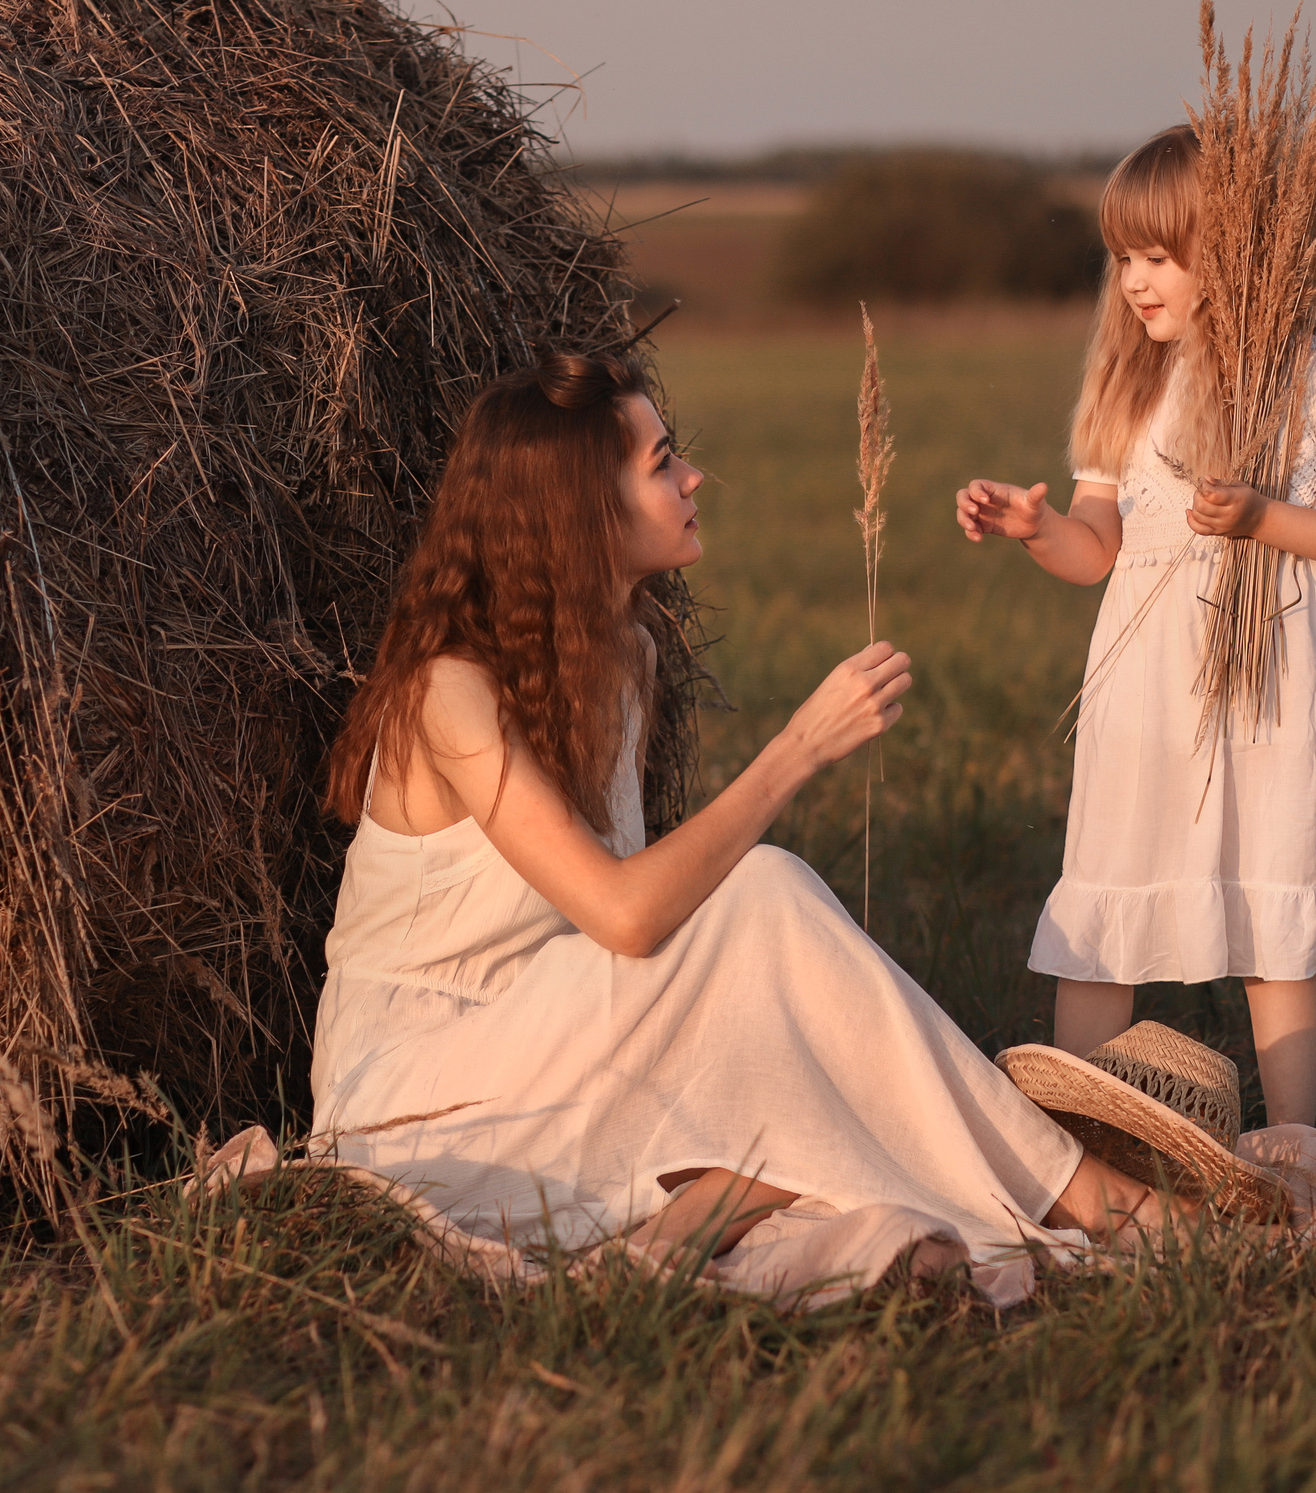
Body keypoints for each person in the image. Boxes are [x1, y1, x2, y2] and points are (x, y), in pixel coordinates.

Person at [308, 348, 1201, 1294]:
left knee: (815, 1083)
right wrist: (797, 749)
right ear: (581, 507)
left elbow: (632, 935)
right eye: (660, 463)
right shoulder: (450, 690)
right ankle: (1109, 1204)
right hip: (415, 1103)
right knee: (767, 898)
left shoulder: (623, 660)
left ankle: (701, 1216)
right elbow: (624, 915)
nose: (693, 477)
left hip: (552, 1054)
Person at [956, 124, 1316, 1130]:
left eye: (1161, 256)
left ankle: (1290, 1139)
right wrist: (1036, 529)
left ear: (1243, 255)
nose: (1134, 280)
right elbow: (1098, 550)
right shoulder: (1129, 386)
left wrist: (1264, 520)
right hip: (1145, 697)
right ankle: (1073, 1134)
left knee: (1272, 912)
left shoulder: (1314, 376)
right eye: (1123, 256)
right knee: (1108, 900)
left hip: (1274, 694)